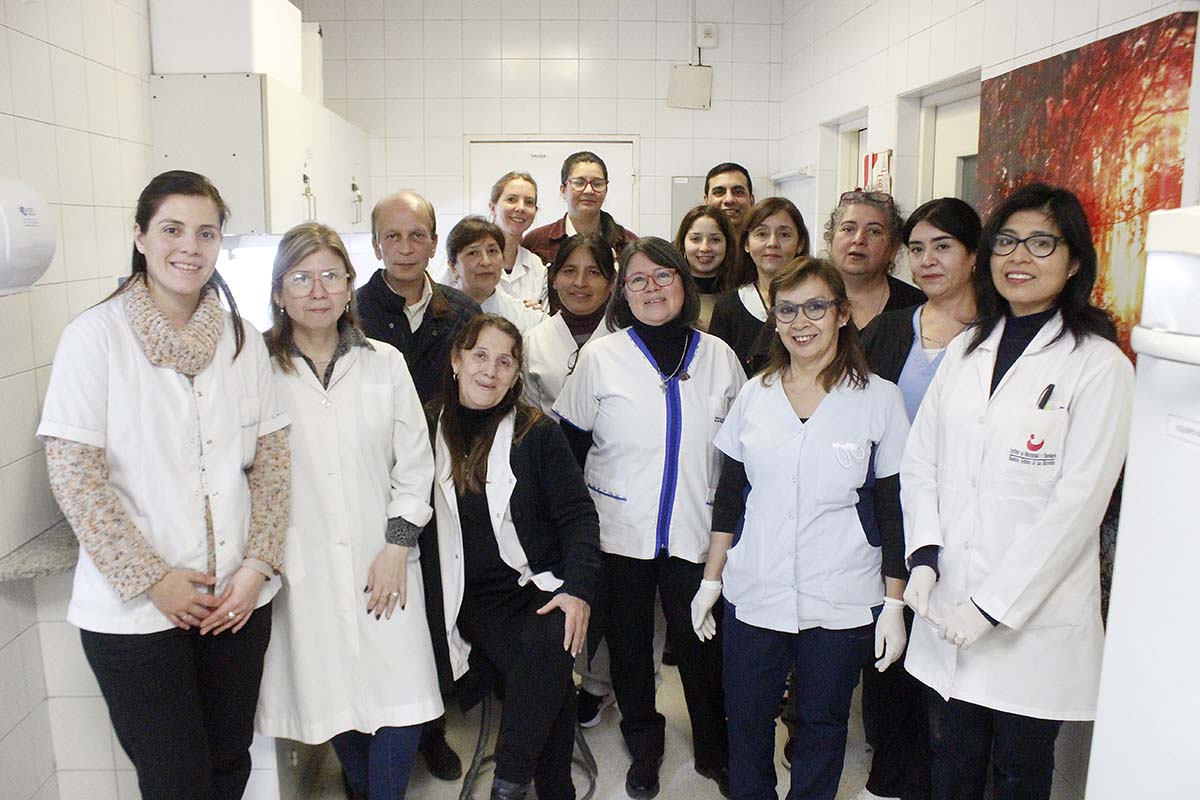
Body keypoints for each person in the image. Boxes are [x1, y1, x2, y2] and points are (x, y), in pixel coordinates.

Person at [37, 170, 291, 800]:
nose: (190, 247)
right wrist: (154, 579)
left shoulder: (240, 339)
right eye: (172, 229)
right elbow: (74, 475)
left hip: (234, 601)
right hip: (136, 612)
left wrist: (256, 567)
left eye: (206, 233)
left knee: (229, 763)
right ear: (140, 236)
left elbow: (272, 462)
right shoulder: (95, 337)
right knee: (177, 780)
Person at [900, 184, 1134, 800]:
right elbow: (921, 461)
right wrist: (923, 555)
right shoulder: (964, 350)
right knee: (950, 764)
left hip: (1032, 624)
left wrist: (991, 606)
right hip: (947, 601)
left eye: (1040, 243)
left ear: (1074, 261)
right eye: (1006, 242)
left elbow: (1078, 506)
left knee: (1019, 773)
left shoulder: (1099, 365)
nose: (1019, 257)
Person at [693, 257, 911, 800]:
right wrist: (711, 580)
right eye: (786, 310)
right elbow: (731, 496)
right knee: (747, 719)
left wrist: (894, 601)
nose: (800, 322)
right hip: (756, 586)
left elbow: (893, 508)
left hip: (842, 592)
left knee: (822, 722)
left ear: (842, 314)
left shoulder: (880, 399)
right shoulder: (755, 394)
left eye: (816, 306)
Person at [255, 223, 442, 800]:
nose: (318, 290)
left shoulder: (384, 362)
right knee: (331, 696)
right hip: (302, 561)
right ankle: (364, 788)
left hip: (383, 554)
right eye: (301, 277)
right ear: (279, 291)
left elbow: (415, 463)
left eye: (330, 276)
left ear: (349, 287)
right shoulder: (256, 367)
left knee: (403, 695)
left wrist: (396, 547)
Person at [555, 237, 744, 798]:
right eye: (637, 279)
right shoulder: (600, 358)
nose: (652, 288)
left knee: (701, 648)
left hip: (696, 533)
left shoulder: (719, 357)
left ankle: (713, 749)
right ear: (624, 292)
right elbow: (569, 451)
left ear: (683, 282)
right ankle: (645, 746)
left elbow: (740, 454)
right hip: (618, 534)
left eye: (663, 276)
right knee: (630, 651)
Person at [426, 314, 602, 800]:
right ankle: (550, 787)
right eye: (480, 355)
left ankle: (511, 781)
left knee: (553, 636)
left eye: (504, 362)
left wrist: (577, 590)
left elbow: (579, 517)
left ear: (516, 373)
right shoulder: (424, 425)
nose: (490, 370)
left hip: (534, 583)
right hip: (468, 596)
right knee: (546, 666)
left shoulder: (536, 433)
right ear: (457, 360)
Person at [852, 198, 981, 800]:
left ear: (974, 254)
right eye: (918, 249)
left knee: (949, 660)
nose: (928, 260)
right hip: (890, 517)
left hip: (963, 522)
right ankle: (890, 775)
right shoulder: (890, 328)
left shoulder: (995, 336)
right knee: (889, 649)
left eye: (943, 247)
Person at [356, 189, 471, 779]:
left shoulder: (460, 313)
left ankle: (431, 729)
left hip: (445, 483)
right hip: (370, 486)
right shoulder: (351, 311)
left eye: (417, 235)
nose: (405, 247)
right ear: (376, 244)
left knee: (433, 607)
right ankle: (366, 737)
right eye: (392, 236)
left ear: (433, 242)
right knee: (375, 612)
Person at [709, 196, 811, 375]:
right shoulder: (728, 306)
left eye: (784, 235)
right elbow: (716, 374)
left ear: (800, 243)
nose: (773, 243)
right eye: (762, 234)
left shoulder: (816, 303)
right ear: (746, 243)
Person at [522, 233, 617, 415]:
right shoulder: (534, 342)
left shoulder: (628, 337)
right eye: (569, 271)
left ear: (612, 282)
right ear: (554, 279)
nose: (580, 283)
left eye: (593, 272)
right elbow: (529, 416)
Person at [824, 190, 926, 329]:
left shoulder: (917, 307)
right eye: (848, 229)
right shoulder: (806, 298)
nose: (859, 239)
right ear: (831, 240)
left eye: (874, 231)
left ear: (894, 248)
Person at [523, 151, 638, 265]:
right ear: (563, 190)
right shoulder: (536, 242)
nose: (589, 191)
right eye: (579, 183)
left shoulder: (628, 243)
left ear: (606, 190)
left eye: (597, 183)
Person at [446, 216, 546, 334]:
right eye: (473, 253)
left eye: (492, 251)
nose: (486, 262)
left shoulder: (528, 319)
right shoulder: (435, 314)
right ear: (453, 266)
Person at [673, 205, 738, 331]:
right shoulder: (670, 294)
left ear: (728, 244)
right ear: (683, 243)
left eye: (715, 239)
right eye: (695, 239)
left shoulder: (742, 295)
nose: (705, 248)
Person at [489, 170, 550, 304]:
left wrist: (536, 313)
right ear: (492, 208)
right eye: (511, 199)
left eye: (529, 202)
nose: (521, 208)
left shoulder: (536, 267)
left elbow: (544, 316)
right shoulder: (466, 256)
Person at [703, 162, 756, 234]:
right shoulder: (691, 240)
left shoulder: (768, 240)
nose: (729, 200)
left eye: (738, 192)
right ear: (706, 201)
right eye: (718, 192)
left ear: (752, 200)